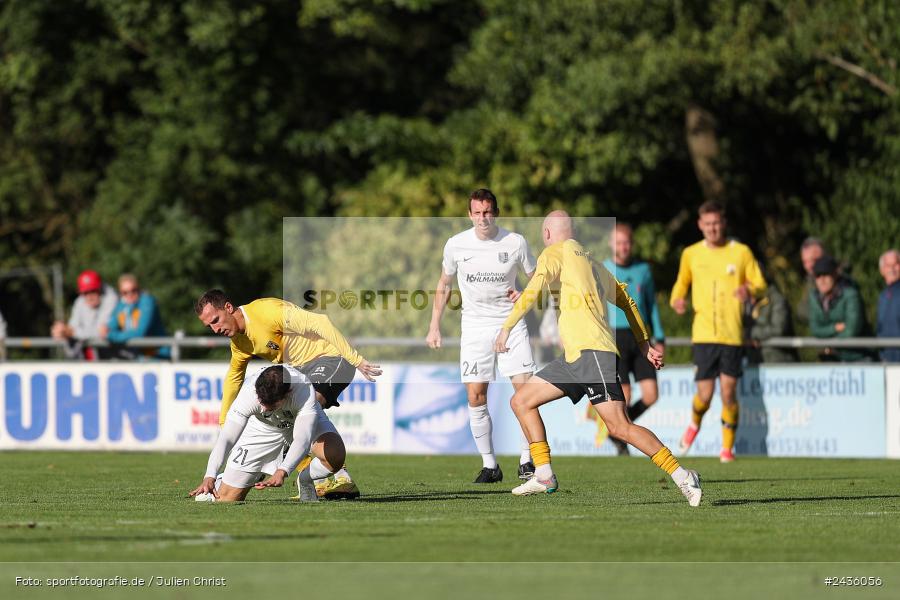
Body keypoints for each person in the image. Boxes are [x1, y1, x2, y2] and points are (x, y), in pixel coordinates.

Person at [494, 211, 702, 507]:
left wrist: (506, 327)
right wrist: (644, 343)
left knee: (619, 426)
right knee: (521, 401)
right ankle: (544, 474)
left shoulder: (553, 253)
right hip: (575, 357)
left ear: (547, 234)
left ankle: (683, 476)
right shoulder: (592, 262)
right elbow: (626, 301)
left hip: (593, 354)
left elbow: (536, 287)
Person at [195, 289, 381, 499]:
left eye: (216, 320)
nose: (215, 329)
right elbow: (234, 377)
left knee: (308, 404)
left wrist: (356, 359)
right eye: (209, 326)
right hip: (296, 371)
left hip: (331, 357)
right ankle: (314, 472)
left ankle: (336, 474)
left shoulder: (267, 311)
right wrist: (223, 423)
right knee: (285, 415)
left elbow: (320, 322)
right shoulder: (239, 341)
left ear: (228, 308)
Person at [426, 188, 537, 483]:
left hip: (511, 325)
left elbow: (538, 279)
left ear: (496, 213)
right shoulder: (456, 245)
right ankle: (490, 465)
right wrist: (434, 325)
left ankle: (527, 460)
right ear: (469, 214)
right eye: (477, 212)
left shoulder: (515, 242)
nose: (482, 218)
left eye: (487, 212)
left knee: (525, 393)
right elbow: (444, 283)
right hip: (474, 328)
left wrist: (525, 294)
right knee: (476, 395)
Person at [671, 202, 766, 463]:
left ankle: (727, 449)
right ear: (700, 225)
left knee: (728, 392)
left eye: (716, 223)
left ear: (723, 224)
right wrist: (677, 299)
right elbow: (681, 284)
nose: (712, 228)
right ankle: (694, 423)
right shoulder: (691, 253)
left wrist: (750, 290)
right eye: (708, 224)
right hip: (703, 335)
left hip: (732, 335)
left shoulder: (741, 252)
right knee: (704, 395)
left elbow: (760, 283)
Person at [189, 365, 346, 503]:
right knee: (226, 499)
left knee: (335, 455)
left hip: (298, 421)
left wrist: (283, 471)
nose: (263, 409)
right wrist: (210, 475)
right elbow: (227, 438)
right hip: (262, 428)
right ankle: (223, 480)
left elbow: (302, 439)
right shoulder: (248, 392)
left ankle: (305, 479)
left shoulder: (304, 390)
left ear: (288, 393)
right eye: (261, 401)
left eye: (270, 404)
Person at [595, 222, 666, 456]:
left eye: (626, 243)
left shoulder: (643, 270)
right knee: (624, 396)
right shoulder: (603, 268)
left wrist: (659, 336)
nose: (623, 247)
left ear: (632, 244)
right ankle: (621, 436)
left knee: (651, 395)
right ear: (610, 244)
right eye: (618, 243)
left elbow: (651, 305)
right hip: (614, 337)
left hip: (641, 337)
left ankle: (619, 431)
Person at [809, 256, 872, 362]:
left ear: (835, 274)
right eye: (818, 276)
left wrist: (828, 342)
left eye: (826, 274)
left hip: (859, 358)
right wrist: (835, 328)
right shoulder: (814, 297)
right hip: (833, 360)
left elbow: (852, 330)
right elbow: (815, 329)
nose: (822, 280)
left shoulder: (851, 294)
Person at [50, 269, 118, 360]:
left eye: (93, 291)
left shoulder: (111, 299)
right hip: (93, 359)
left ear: (100, 288)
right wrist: (62, 330)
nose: (89, 296)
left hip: (115, 360)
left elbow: (100, 332)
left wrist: (71, 332)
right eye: (85, 292)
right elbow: (72, 327)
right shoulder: (80, 301)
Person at [100, 273, 170, 359]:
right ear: (120, 293)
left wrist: (111, 336)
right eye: (125, 292)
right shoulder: (122, 305)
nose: (129, 294)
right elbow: (110, 326)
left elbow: (139, 332)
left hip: (157, 356)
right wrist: (106, 329)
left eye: (133, 290)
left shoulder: (147, 302)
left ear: (139, 289)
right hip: (138, 357)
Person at [745, 278, 798, 364]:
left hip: (778, 361)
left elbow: (778, 329)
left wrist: (751, 333)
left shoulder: (777, 300)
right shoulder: (746, 301)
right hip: (755, 362)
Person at [796, 237, 827, 328]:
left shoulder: (841, 279)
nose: (808, 266)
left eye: (813, 260)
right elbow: (801, 310)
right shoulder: (810, 281)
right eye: (805, 262)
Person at [877, 249, 900, 362]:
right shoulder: (883, 296)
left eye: (896, 264)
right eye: (888, 265)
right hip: (887, 360)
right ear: (882, 270)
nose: (892, 269)